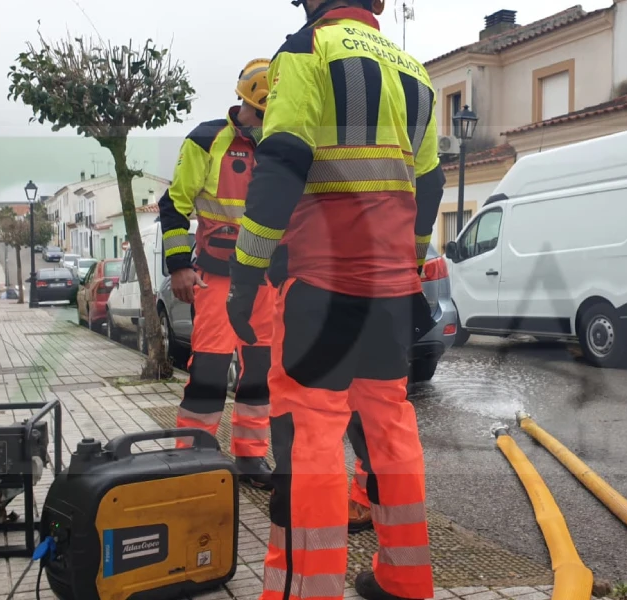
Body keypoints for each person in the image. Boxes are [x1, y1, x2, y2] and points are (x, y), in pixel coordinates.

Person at [225, 0, 445, 598]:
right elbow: (428, 185)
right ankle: (405, 578)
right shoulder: (414, 71)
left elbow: (283, 165)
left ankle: (305, 589)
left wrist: (246, 277)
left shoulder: (307, 50)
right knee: (390, 431)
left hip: (321, 286)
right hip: (391, 293)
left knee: (310, 436)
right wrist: (406, 263)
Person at [159, 59, 276, 489]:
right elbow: (174, 205)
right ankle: (193, 458)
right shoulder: (207, 140)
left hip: (266, 279)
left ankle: (250, 458)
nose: (267, 122)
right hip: (218, 277)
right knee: (209, 368)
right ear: (250, 104)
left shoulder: (283, 145)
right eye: (263, 114)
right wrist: (179, 267)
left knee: (259, 372)